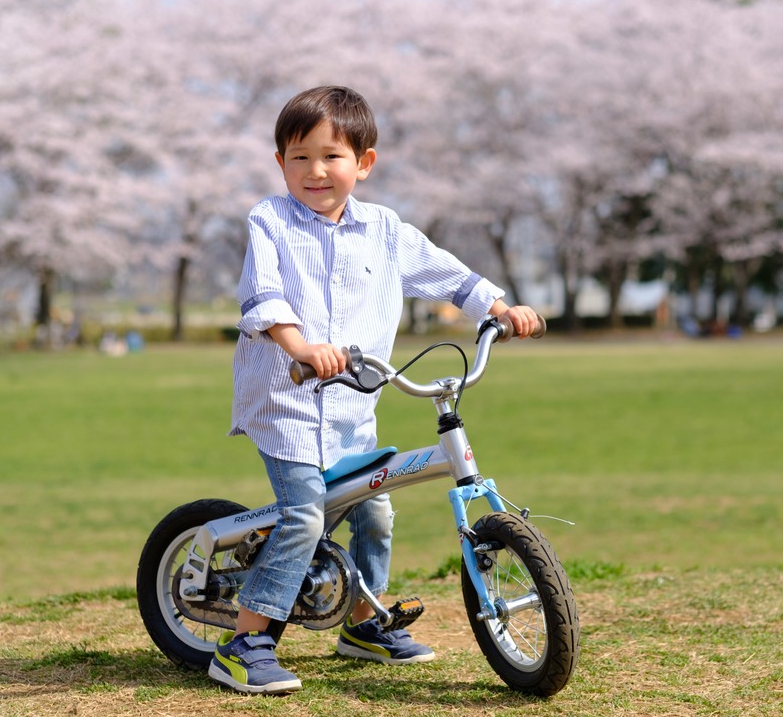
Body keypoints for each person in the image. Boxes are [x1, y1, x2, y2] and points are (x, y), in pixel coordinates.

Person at [212, 85, 540, 695]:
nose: (315, 171)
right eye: (299, 157)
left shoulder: (385, 230)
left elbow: (448, 275)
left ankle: (363, 624)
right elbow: (264, 296)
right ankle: (243, 644)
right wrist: (302, 347)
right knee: (305, 514)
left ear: (363, 163)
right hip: (285, 400)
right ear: (280, 163)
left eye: (331, 156)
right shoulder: (270, 220)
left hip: (352, 403)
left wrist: (500, 309)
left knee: (375, 507)